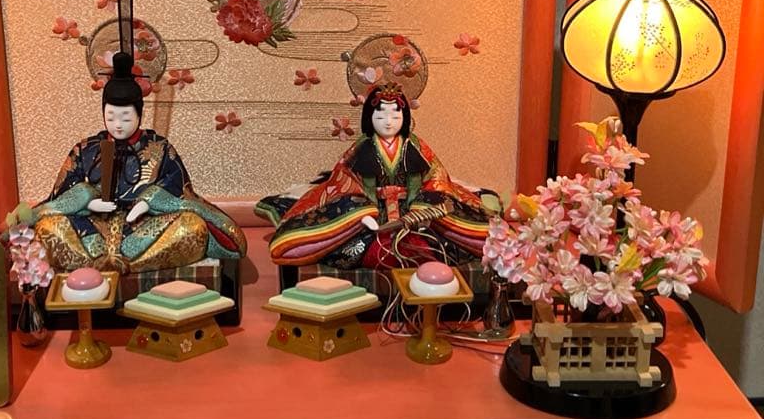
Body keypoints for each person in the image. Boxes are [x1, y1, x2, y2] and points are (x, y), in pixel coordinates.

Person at [31, 52, 246, 273]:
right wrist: (87, 201)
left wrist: (148, 202)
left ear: (139, 115)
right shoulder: (85, 149)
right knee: (47, 227)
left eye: (125, 118)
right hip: (91, 228)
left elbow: (179, 191)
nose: (118, 125)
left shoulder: (160, 147)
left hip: (141, 228)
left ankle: (119, 264)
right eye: (111, 117)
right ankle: (104, 261)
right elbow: (62, 193)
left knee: (193, 227)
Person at [259, 81, 492, 269]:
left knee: (440, 241)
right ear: (369, 118)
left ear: (405, 118)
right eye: (381, 116)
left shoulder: (417, 146)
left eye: (395, 116)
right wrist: (364, 215)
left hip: (414, 214)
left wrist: (423, 211)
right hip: (372, 214)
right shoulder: (361, 147)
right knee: (354, 242)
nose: (388, 122)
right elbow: (344, 183)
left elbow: (436, 179)